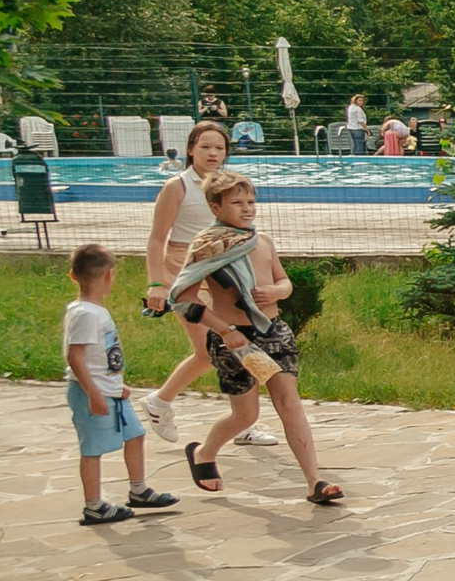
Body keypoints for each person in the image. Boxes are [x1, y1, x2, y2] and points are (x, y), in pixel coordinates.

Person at [167, 171, 341, 506]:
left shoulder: (262, 242)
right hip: (236, 340)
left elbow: (285, 283)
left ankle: (314, 482)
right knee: (246, 417)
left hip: (273, 332)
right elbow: (185, 298)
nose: (247, 209)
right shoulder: (208, 246)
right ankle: (204, 453)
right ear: (215, 207)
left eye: (251, 202)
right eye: (236, 203)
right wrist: (225, 331)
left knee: (290, 403)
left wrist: (275, 291)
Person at [140, 121, 276, 450]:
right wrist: (156, 284)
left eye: (219, 147)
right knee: (206, 351)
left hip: (224, 273)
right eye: (205, 147)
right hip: (185, 270)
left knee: (241, 345)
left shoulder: (229, 187)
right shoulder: (178, 186)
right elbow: (157, 238)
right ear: (191, 150)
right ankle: (159, 402)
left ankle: (243, 422)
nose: (213, 153)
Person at [61, 244, 177, 526]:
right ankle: (94, 505)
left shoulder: (93, 311)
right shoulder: (85, 314)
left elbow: (99, 355)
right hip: (92, 393)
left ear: (72, 276)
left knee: (135, 435)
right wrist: (94, 393)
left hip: (110, 390)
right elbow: (75, 357)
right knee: (92, 448)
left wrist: (115, 385)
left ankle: (138, 489)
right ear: (110, 275)